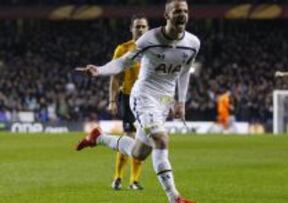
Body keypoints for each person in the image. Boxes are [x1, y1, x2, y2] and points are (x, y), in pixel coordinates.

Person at [75, 0, 200, 202]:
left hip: (164, 101)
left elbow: (184, 72)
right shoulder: (150, 39)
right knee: (161, 139)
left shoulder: (193, 43)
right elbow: (123, 62)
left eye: (185, 11)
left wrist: (181, 102)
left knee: (138, 153)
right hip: (143, 96)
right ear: (167, 15)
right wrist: (99, 70)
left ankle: (98, 137)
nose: (182, 14)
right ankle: (174, 197)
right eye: (177, 11)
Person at [107, 15, 149, 191]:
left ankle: (134, 181)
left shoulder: (153, 49)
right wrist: (112, 100)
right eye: (137, 26)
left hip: (148, 100)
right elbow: (116, 77)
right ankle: (117, 177)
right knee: (129, 137)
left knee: (144, 141)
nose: (140, 29)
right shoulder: (122, 49)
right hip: (128, 97)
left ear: (147, 29)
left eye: (143, 26)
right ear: (131, 29)